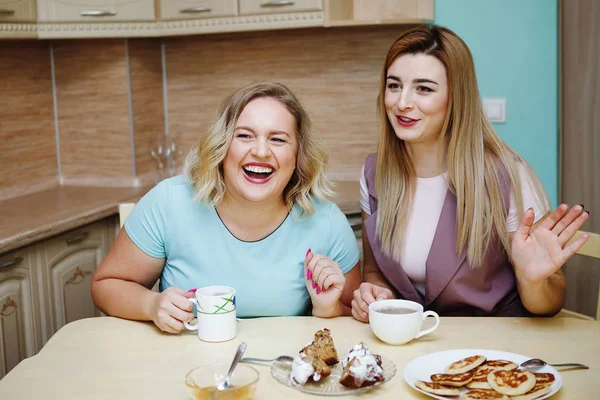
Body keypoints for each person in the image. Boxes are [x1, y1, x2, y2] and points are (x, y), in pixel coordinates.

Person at [351, 25, 590, 321]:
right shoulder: (375, 174)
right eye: (394, 85)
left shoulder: (507, 174)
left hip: (495, 349)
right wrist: (375, 292)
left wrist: (533, 281)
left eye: (424, 88)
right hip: (414, 345)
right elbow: (375, 271)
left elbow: (550, 304)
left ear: (456, 97)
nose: (402, 103)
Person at [91, 82, 361, 334]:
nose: (261, 151)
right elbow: (104, 287)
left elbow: (359, 317)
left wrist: (328, 309)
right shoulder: (170, 202)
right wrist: (150, 305)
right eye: (244, 135)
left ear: (298, 155)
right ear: (222, 146)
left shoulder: (326, 221)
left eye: (278, 139)